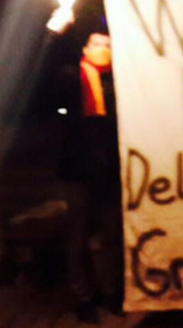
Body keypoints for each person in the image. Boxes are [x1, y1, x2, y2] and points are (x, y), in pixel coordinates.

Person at [58, 31, 124, 324]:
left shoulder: (117, 82)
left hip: (109, 171)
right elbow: (56, 69)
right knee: (78, 236)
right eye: (97, 44)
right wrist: (57, 35)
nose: (103, 49)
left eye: (108, 45)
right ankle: (83, 297)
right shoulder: (74, 78)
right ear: (85, 49)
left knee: (111, 235)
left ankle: (111, 292)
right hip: (78, 171)